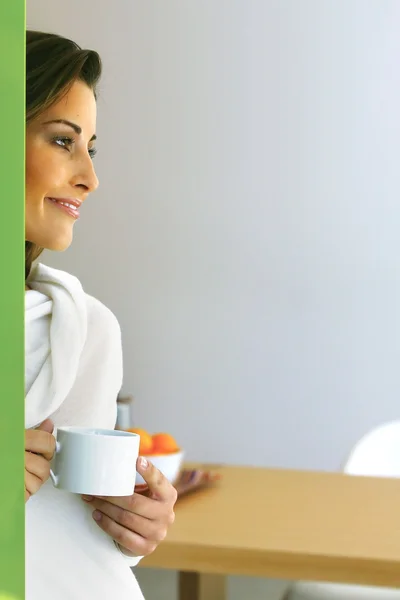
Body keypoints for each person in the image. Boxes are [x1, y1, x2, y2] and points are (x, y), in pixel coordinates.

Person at [24, 30, 177, 599]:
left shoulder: (86, 330)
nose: (90, 177)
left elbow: (67, 531)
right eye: (63, 141)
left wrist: (131, 523)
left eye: (91, 146)